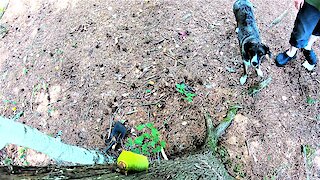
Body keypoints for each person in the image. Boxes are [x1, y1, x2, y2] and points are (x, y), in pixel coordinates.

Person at [275, 0, 320, 71]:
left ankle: (308, 46)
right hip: (314, 2)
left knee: (318, 30)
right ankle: (292, 52)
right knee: (301, 29)